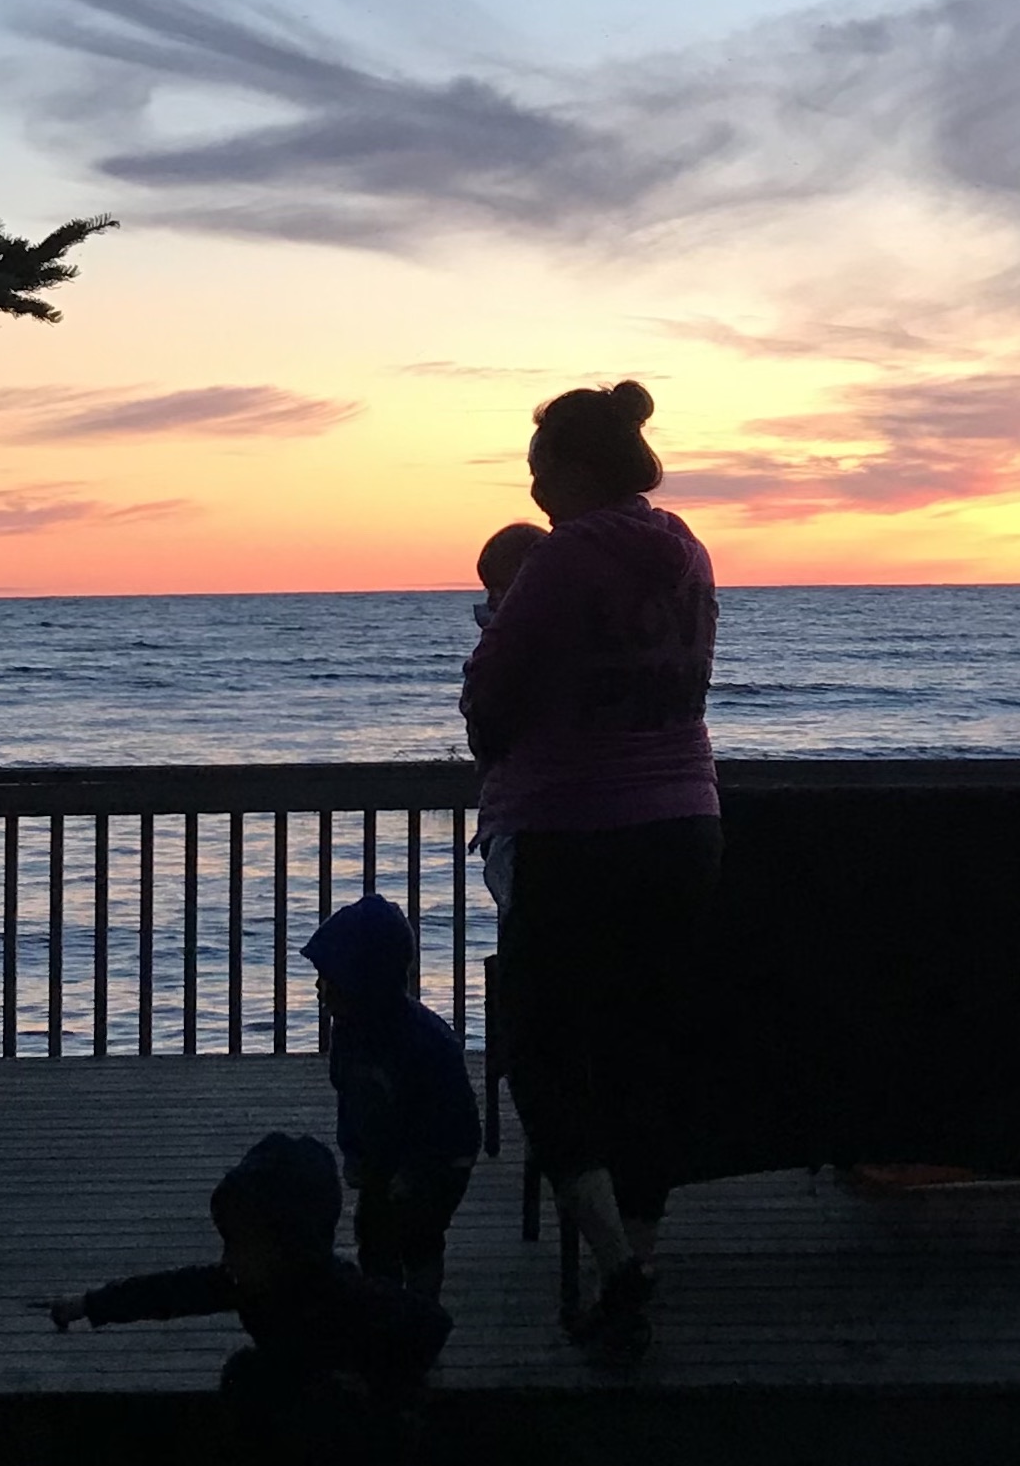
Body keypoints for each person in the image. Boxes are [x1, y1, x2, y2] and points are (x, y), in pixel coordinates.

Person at [460, 380, 719, 1365]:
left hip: (574, 835)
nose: (533, 489)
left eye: (539, 470)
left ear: (573, 468)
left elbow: (492, 705)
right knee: (645, 1053)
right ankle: (637, 1257)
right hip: (685, 827)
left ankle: (619, 1266)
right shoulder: (687, 548)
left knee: (542, 1055)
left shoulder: (563, 559)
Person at [46, 1131, 450, 1466]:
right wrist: (90, 1305)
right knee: (246, 1376)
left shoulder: (341, 1292)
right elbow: (171, 1293)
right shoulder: (247, 1283)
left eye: (240, 1246)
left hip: (359, 1416)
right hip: (305, 1389)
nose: (228, 1259)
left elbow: (431, 1323)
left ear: (290, 1246)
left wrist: (385, 1390)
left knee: (328, 1403)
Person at [300, 895, 482, 1299]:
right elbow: (350, 1101)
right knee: (374, 1231)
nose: (319, 987)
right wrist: (355, 1154)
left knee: (420, 1235)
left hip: (438, 1160)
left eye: (328, 978)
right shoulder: (349, 1034)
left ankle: (420, 1311)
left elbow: (450, 1122)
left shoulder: (424, 1043)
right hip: (385, 1153)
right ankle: (383, 1309)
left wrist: (417, 1171)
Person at [465, 520, 547, 912]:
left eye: (499, 589)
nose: (492, 601)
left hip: (529, 824)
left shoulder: (514, 649)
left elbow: (485, 725)